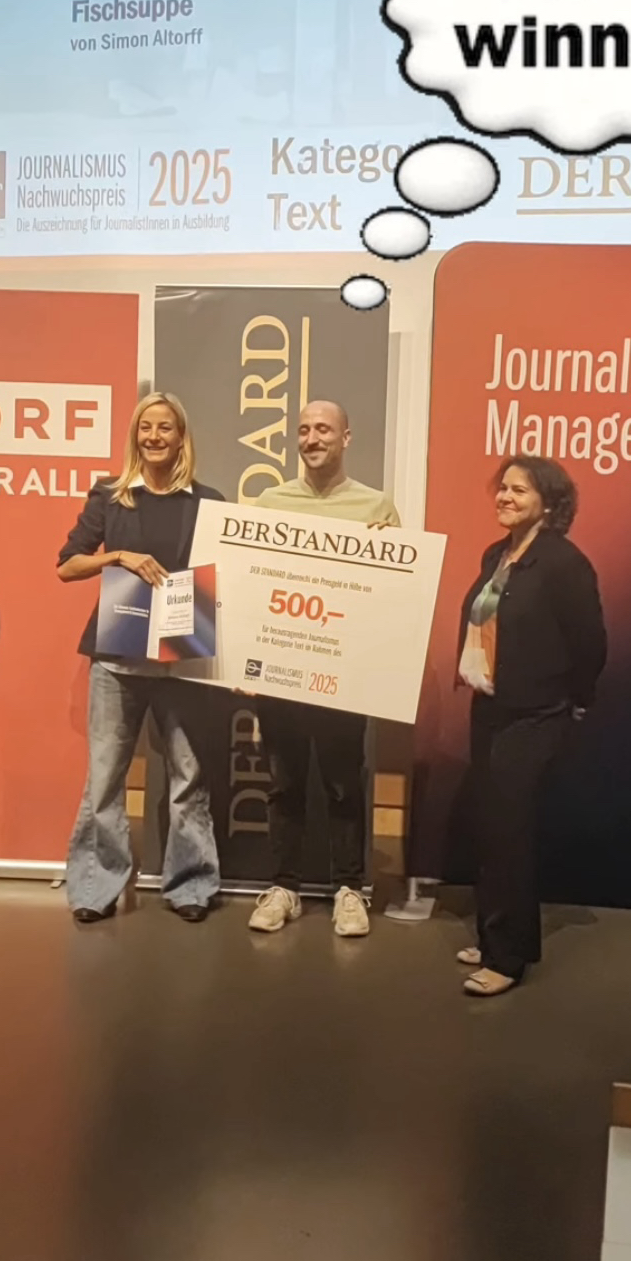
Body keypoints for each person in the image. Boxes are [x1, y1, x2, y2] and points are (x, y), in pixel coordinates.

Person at [57, 393, 224, 924]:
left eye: (165, 427)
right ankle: (94, 888)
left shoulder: (209, 501)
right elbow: (67, 565)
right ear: (135, 435)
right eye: (146, 427)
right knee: (105, 779)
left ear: (181, 437)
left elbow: (230, 576)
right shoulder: (111, 496)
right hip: (116, 660)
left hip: (185, 660)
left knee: (188, 777)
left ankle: (191, 884)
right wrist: (118, 556)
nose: (154, 436)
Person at [247, 400, 400, 939]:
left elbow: (392, 596)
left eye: (324, 430)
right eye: (304, 430)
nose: (312, 439)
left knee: (342, 786)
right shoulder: (270, 502)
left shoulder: (375, 506)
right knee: (284, 784)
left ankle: (350, 890)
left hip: (344, 676)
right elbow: (252, 584)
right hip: (282, 670)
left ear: (346, 438)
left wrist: (390, 554)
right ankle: (283, 888)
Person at [454, 456, 606, 998]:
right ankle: (493, 937)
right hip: (490, 707)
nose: (505, 497)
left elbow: (590, 643)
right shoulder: (496, 555)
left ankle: (508, 958)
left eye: (519, 490)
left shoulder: (565, 564)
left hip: (536, 714)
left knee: (510, 831)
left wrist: (577, 701)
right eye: (503, 488)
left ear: (548, 502)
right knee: (489, 827)